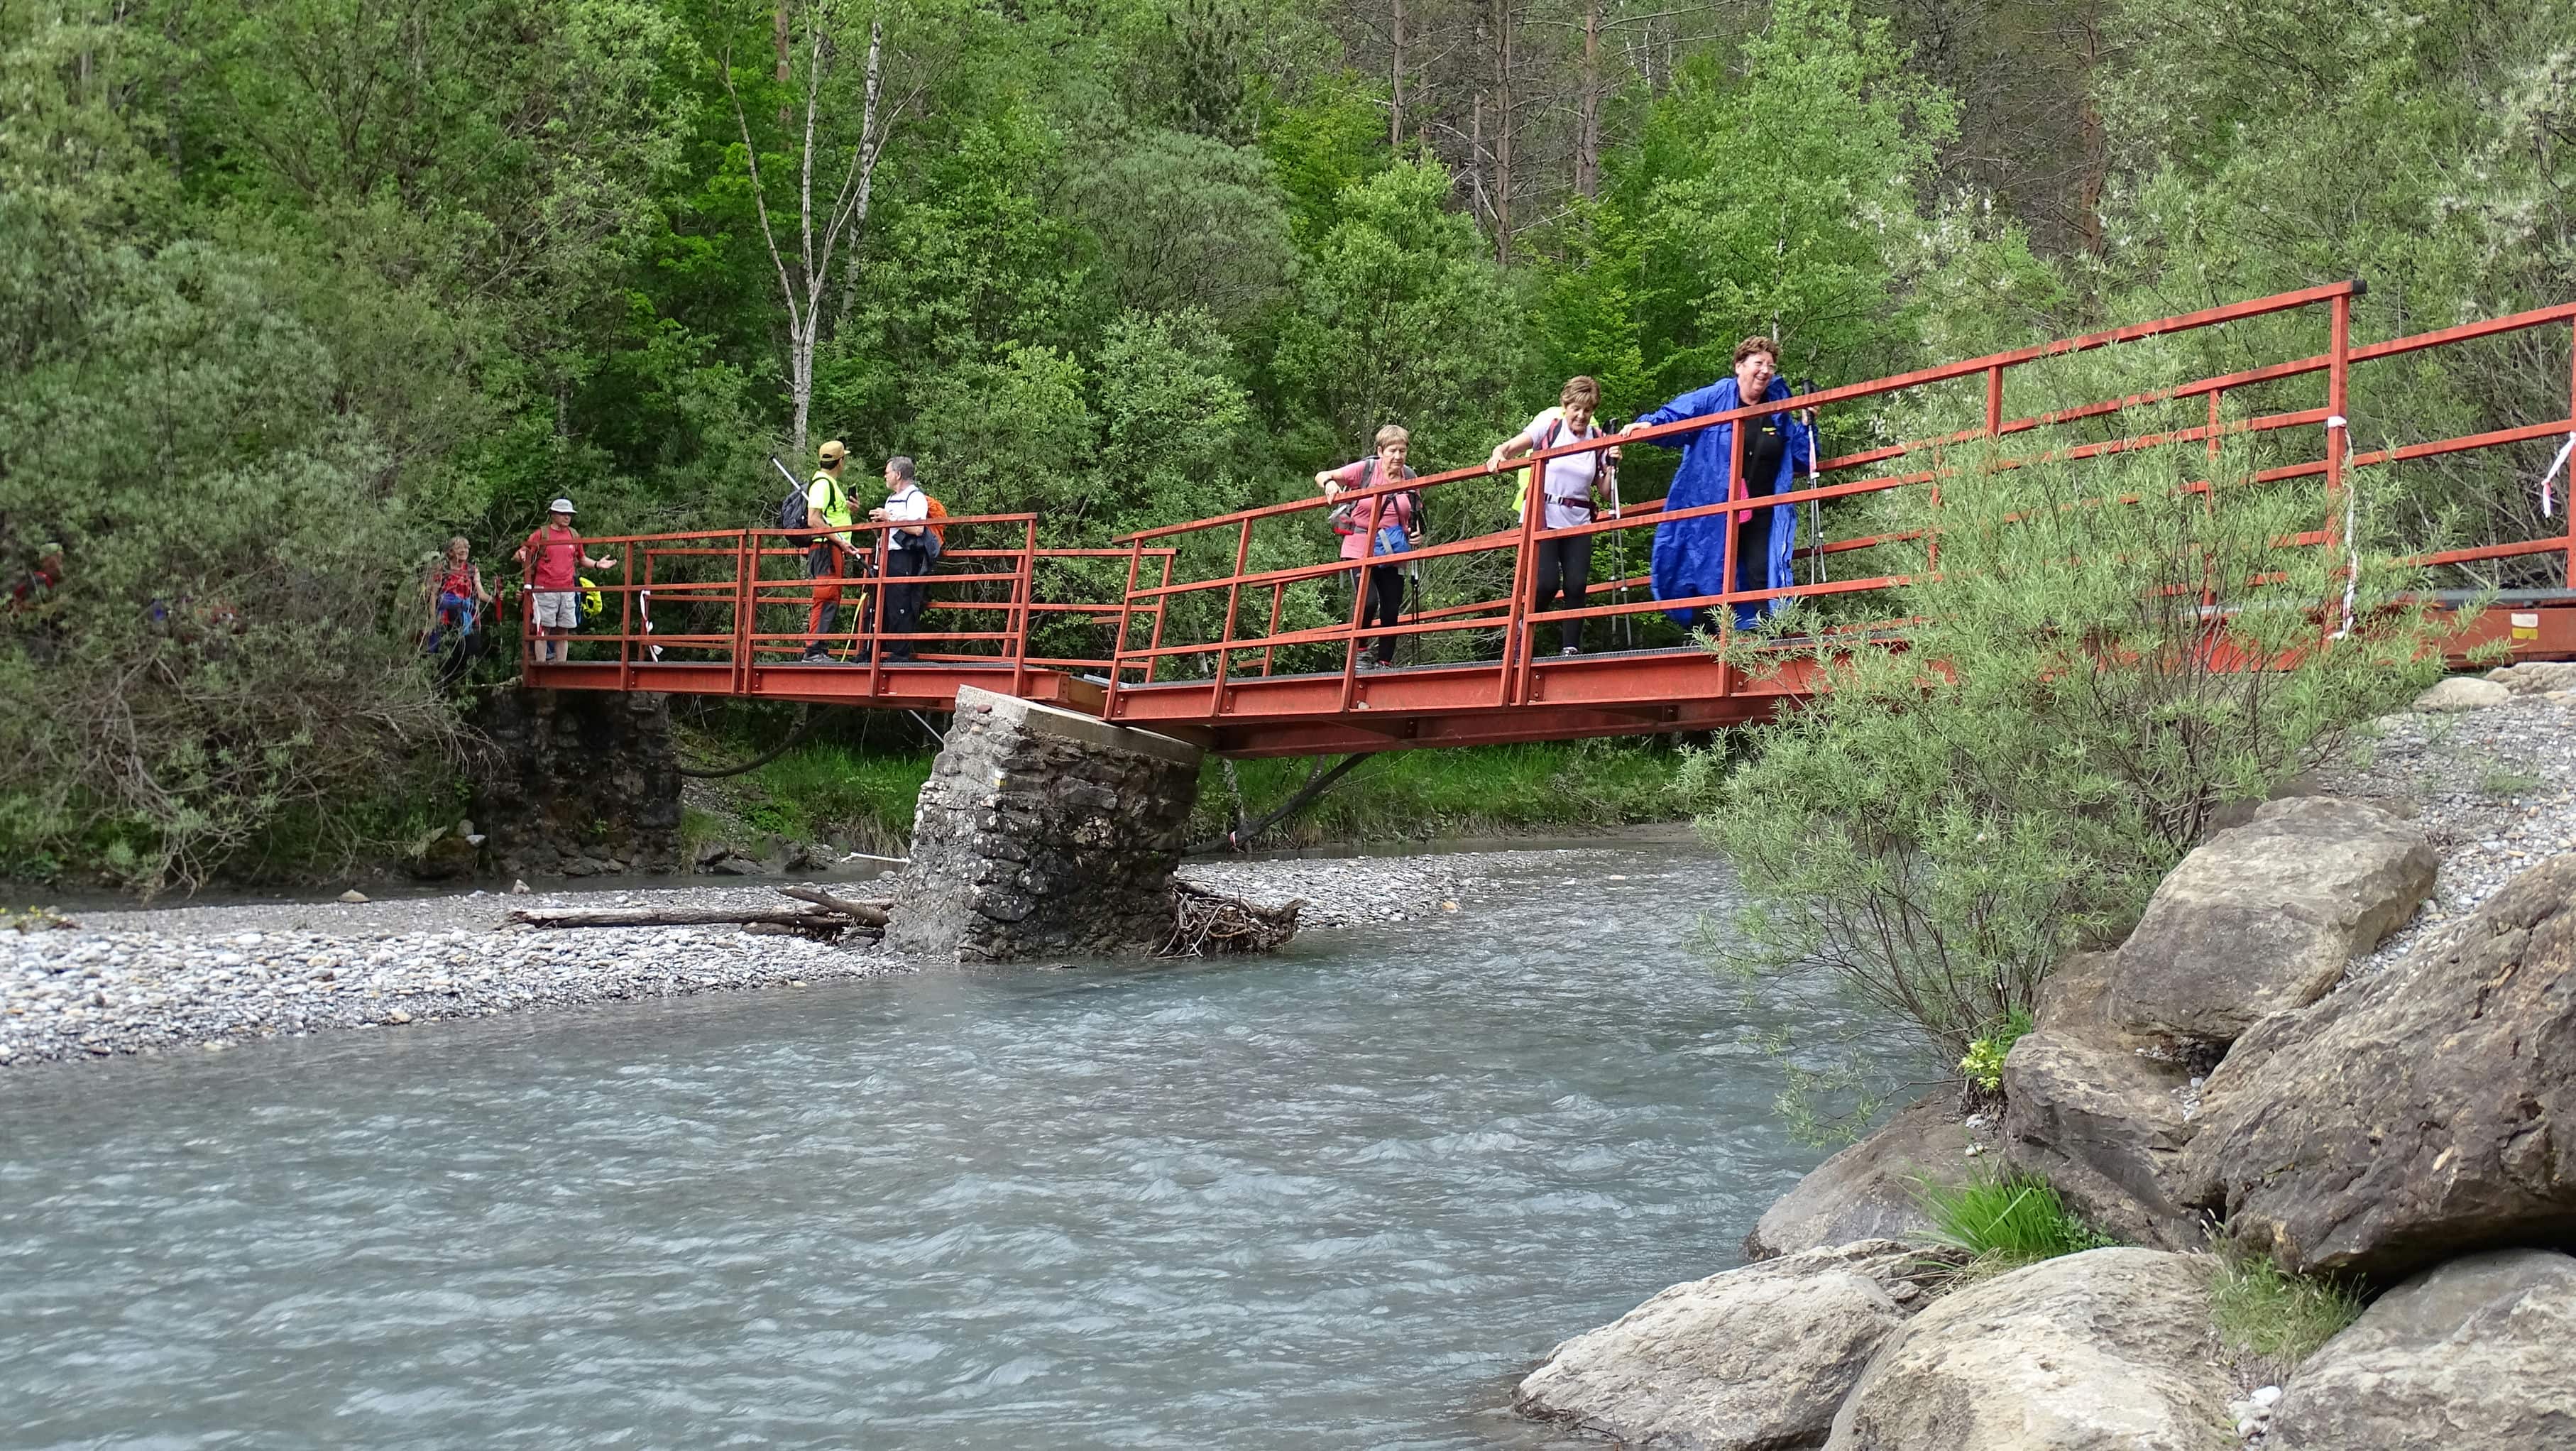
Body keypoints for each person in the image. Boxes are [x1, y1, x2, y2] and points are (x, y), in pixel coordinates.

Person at [1622, 336, 1814, 630]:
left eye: (1771, 366)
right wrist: (1651, 424)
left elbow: (1804, 458)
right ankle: (1709, 642)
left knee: (1764, 571)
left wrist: (1808, 422)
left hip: (1763, 506)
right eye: (1759, 363)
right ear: (1739, 366)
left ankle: (1774, 639)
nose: (1765, 371)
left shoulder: (1777, 408)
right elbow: (1680, 415)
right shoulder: (1716, 397)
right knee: (1709, 571)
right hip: (1714, 504)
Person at [1491, 376, 1621, 655]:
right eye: (1576, 409)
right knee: (1547, 584)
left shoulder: (1598, 438)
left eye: (1588, 410)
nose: (1581, 416)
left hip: (1579, 517)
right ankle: (1522, 628)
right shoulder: (1549, 427)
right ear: (1566, 406)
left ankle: (1570, 649)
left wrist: (1612, 465)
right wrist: (1498, 454)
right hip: (1544, 515)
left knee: (1577, 584)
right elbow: (1511, 448)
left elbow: (1605, 491)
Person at [1315, 425, 1421, 669]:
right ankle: (1360, 652)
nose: (1398, 456)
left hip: (1394, 548)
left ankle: (1385, 662)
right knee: (1369, 600)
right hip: (1359, 545)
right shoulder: (1366, 470)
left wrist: (1417, 534)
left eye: (1402, 450)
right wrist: (1330, 484)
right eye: (1392, 451)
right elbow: (1322, 475)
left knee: (1391, 607)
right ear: (1381, 451)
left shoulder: (1410, 477)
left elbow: (1415, 513)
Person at [515, 498, 614, 664]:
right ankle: (541, 665)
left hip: (568, 589)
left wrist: (597, 564)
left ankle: (561, 665)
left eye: (569, 514)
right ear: (553, 515)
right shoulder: (541, 534)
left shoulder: (573, 534)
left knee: (564, 630)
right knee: (543, 629)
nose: (567, 517)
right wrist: (523, 557)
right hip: (545, 588)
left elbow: (582, 558)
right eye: (563, 514)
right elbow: (522, 553)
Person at [868, 456, 933, 662]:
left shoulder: (915, 497)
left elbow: (917, 528)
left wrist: (889, 518)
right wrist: (879, 524)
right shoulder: (892, 498)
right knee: (879, 603)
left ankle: (900, 654)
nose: (885, 476)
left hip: (903, 556)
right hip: (885, 554)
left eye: (887, 473)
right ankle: (874, 651)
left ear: (898, 475)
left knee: (900, 603)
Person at [801, 439, 859, 663]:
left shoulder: (828, 484)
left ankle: (819, 649)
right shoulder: (823, 484)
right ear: (840, 461)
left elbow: (830, 515)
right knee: (825, 596)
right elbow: (814, 519)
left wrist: (849, 509)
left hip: (831, 548)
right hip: (827, 549)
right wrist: (841, 542)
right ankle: (814, 651)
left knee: (831, 596)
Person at [422, 536, 493, 669]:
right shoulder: (442, 569)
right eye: (459, 548)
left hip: (467, 619)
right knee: (447, 657)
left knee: (469, 653)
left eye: (466, 547)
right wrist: (433, 618)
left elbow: (481, 593)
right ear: (450, 552)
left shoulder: (472, 570)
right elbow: (433, 594)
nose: (464, 550)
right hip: (446, 620)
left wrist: (495, 599)